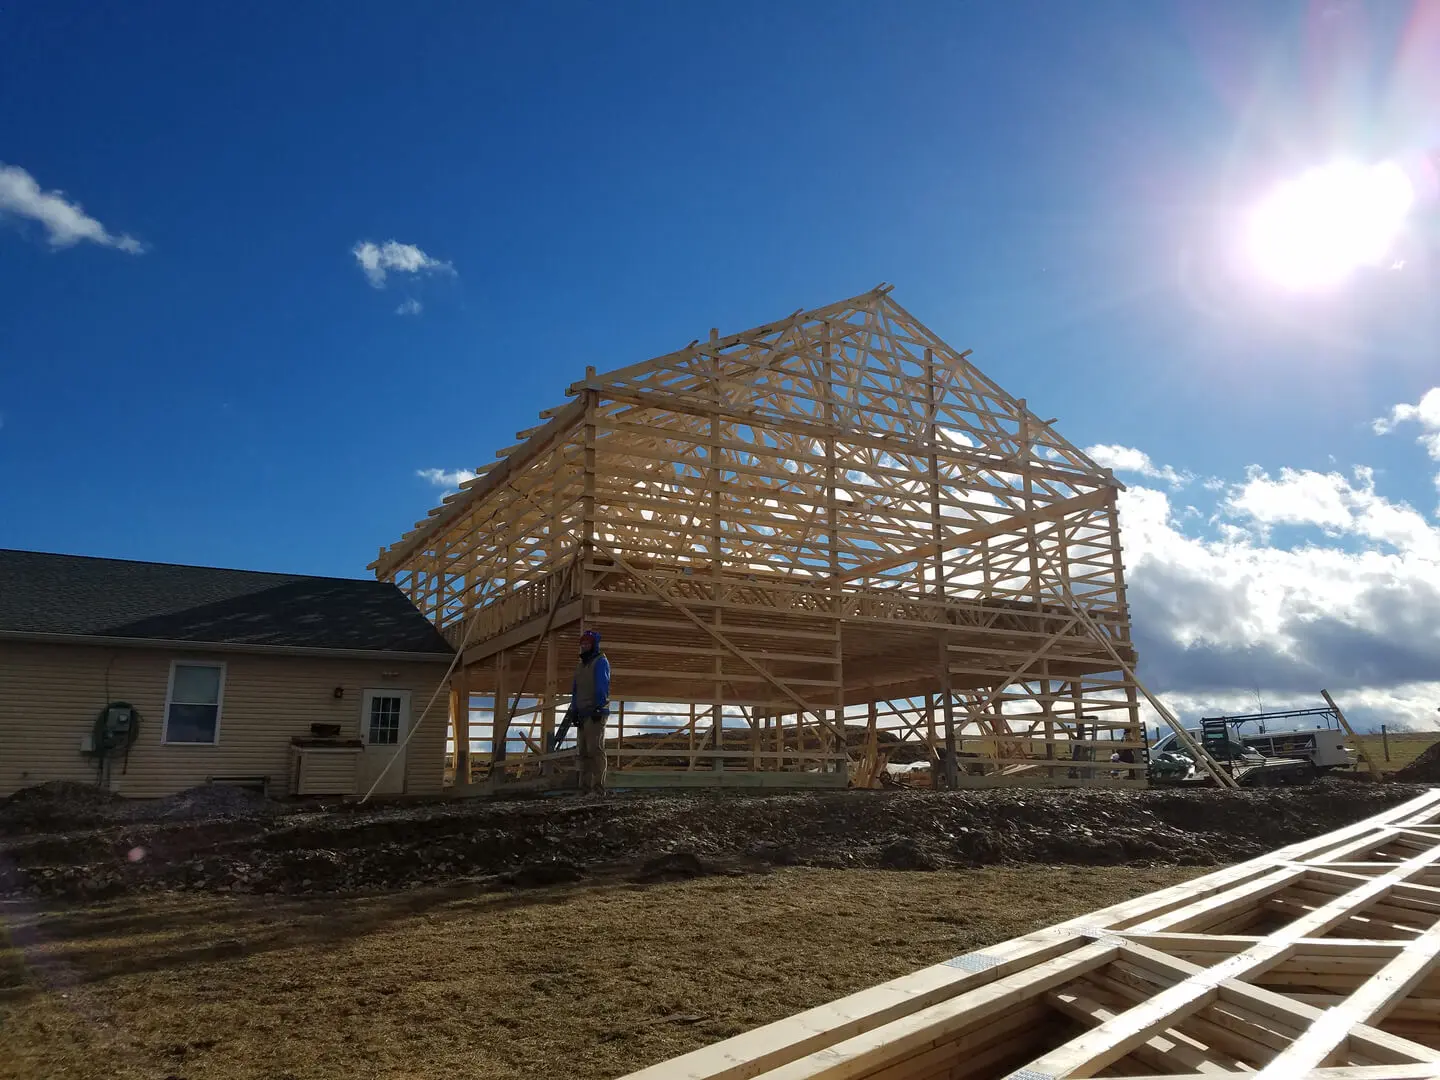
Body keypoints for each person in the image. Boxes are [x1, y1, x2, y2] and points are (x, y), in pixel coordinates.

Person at [571, 628, 611, 794]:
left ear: (594, 644)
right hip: (582, 712)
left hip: (595, 712)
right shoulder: (580, 665)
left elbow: (602, 685)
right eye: (583, 643)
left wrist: (599, 706)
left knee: (595, 749)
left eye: (588, 643)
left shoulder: (600, 661)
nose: (585, 646)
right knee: (583, 751)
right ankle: (585, 787)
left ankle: (598, 787)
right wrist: (574, 709)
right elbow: (575, 689)